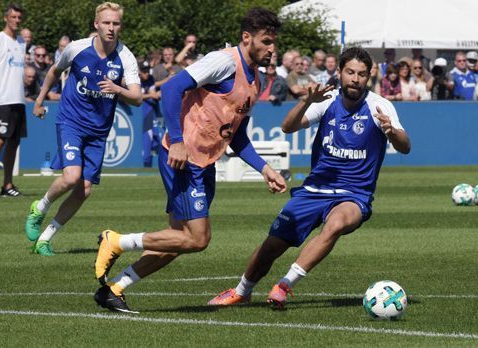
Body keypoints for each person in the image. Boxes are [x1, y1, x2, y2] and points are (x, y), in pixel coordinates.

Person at [92, 7, 286, 314]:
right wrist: (178, 141)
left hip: (202, 163)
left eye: (274, 42)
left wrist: (265, 169)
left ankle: (114, 289)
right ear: (247, 38)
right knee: (198, 239)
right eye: (266, 41)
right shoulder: (223, 61)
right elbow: (171, 87)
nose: (272, 49)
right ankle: (116, 240)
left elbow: (237, 137)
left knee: (177, 241)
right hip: (182, 158)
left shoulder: (255, 82)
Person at [207, 47, 410, 309]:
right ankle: (241, 291)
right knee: (272, 245)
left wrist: (391, 131)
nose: (355, 79)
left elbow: (405, 146)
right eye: (350, 72)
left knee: (336, 224)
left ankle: (284, 285)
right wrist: (306, 101)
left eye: (361, 74)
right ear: (340, 72)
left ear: (368, 76)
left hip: (354, 194)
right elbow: (287, 127)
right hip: (314, 190)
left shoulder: (380, 106)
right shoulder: (326, 101)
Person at [24, 2, 142, 256]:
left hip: (98, 132)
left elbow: (137, 96)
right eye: (107, 23)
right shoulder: (76, 49)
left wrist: (117, 88)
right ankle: (39, 208)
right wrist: (39, 100)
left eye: (116, 23)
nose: (111, 28)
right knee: (71, 176)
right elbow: (55, 71)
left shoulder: (125, 56)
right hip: (71, 122)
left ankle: (45, 239)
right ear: (96, 25)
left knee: (84, 190)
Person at [0, 3, 26, 197]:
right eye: (13, 17)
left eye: (19, 18)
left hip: (18, 99)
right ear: (6, 18)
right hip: (2, 99)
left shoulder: (22, 42)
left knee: (14, 142)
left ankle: (7, 185)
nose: (16, 21)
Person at [139, 61, 162, 167]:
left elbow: (153, 93)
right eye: (144, 71)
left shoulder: (151, 79)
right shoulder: (135, 80)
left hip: (151, 110)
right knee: (147, 137)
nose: (146, 73)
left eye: (147, 71)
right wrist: (151, 96)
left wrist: (157, 94)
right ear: (139, 71)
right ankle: (146, 161)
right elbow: (136, 96)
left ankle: (152, 159)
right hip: (142, 112)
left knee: (156, 135)